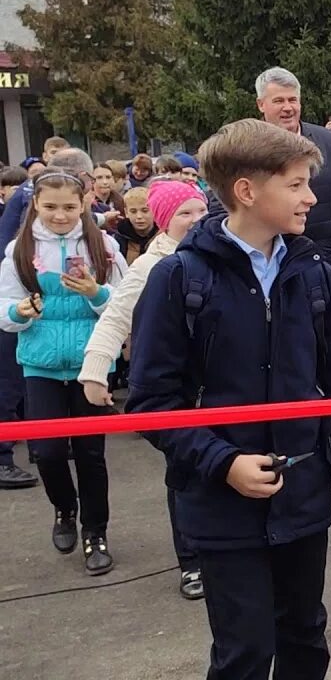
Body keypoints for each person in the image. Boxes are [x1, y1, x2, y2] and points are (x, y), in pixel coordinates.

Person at [126, 119, 331, 680]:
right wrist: (223, 463)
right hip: (222, 510)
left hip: (302, 499)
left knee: (305, 641)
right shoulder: (178, 280)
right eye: (295, 184)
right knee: (244, 653)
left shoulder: (314, 273)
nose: (311, 198)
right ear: (247, 190)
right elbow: (149, 404)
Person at [81, 180, 209, 596]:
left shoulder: (218, 255)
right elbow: (116, 317)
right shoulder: (152, 266)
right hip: (171, 384)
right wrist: (95, 370)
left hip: (215, 382)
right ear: (163, 220)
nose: (194, 221)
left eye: (200, 211)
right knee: (184, 472)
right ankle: (191, 563)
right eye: (183, 214)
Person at [0, 170, 128, 574]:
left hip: (91, 363)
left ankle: (96, 531)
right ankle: (64, 509)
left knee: (91, 454)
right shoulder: (19, 250)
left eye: (69, 207)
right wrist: (19, 312)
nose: (60, 215)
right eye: (50, 206)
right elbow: (4, 308)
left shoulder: (102, 245)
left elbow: (122, 304)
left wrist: (96, 293)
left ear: (85, 203)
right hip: (41, 364)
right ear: (35, 204)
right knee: (48, 451)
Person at [254, 67, 331, 287]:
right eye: (278, 101)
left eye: (293, 100)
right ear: (261, 104)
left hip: (325, 259)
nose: (288, 108)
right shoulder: (247, 147)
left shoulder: (327, 141)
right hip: (270, 262)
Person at [113, 187, 159, 265]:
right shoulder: (119, 238)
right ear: (126, 212)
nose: (139, 216)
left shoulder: (162, 236)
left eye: (145, 210)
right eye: (133, 211)